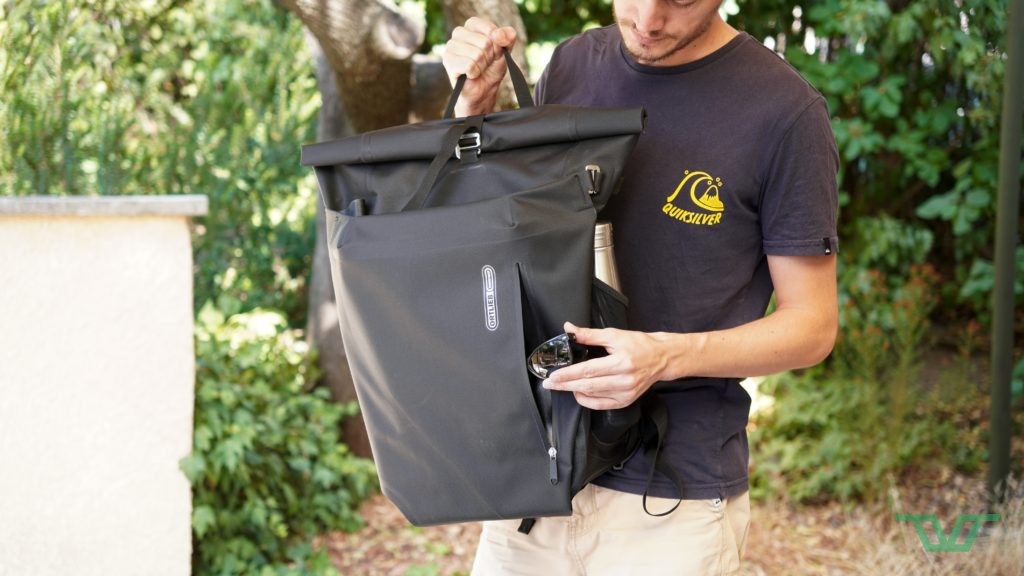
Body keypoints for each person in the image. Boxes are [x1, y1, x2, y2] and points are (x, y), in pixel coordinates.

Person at [442, 1, 839, 574]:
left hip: (670, 502)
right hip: (537, 480)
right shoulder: (573, 65)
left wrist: (666, 356)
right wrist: (474, 109)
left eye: (680, 0)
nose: (649, 20)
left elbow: (812, 327)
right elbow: (509, 235)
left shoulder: (786, 113)